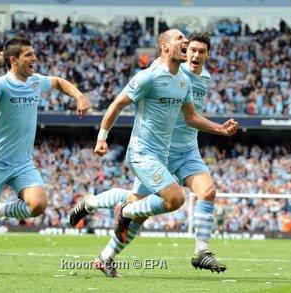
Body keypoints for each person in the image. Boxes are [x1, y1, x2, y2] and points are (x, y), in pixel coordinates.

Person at [69, 30, 237, 277]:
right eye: (189, 47)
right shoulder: (156, 75)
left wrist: (219, 129)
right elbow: (121, 101)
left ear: (208, 55)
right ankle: (98, 211)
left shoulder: (196, 79)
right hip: (155, 152)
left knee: (207, 192)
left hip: (186, 149)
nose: (194, 52)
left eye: (200, 51)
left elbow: (191, 116)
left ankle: (201, 251)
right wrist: (101, 138)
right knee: (140, 207)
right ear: (176, 50)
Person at [0, 38, 90, 275]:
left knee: (38, 205)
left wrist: (79, 96)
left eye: (33, 54)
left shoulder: (36, 82)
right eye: (28, 55)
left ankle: (0, 212)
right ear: (14, 60)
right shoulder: (2, 84)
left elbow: (59, 82)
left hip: (23, 162)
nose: (34, 59)